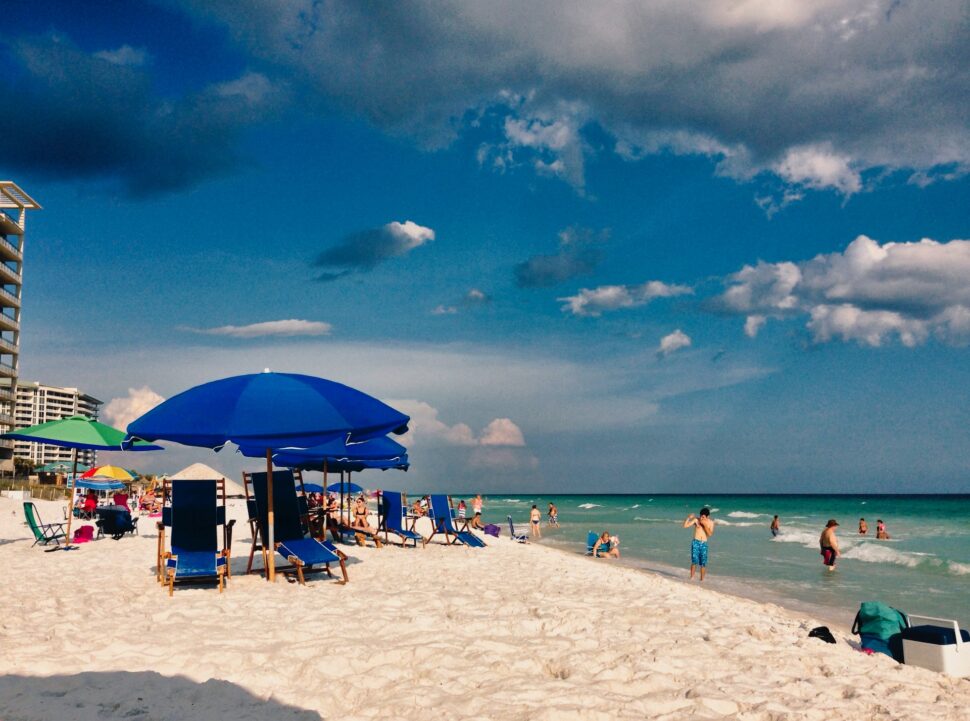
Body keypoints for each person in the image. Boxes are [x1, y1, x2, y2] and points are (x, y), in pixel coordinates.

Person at [683, 507, 714, 581]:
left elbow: (710, 534)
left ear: (707, 516)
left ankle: (702, 580)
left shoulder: (711, 523)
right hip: (696, 542)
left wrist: (704, 525)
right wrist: (688, 518)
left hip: (704, 543)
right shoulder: (696, 520)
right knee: (694, 561)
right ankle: (691, 578)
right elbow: (685, 526)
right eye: (701, 516)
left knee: (703, 563)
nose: (701, 518)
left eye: (703, 517)